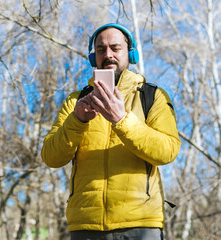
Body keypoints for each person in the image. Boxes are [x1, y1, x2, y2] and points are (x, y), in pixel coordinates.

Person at [41, 23, 181, 240]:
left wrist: (121, 119)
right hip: (85, 226)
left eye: (115, 48)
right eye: (100, 49)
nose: (108, 55)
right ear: (93, 57)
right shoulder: (75, 101)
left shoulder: (153, 96)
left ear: (130, 53)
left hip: (141, 224)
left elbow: (167, 151)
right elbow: (50, 157)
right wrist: (77, 121)